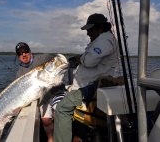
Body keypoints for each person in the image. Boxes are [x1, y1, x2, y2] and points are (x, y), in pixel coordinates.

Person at [53, 13, 120, 142]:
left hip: (90, 88)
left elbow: (89, 61)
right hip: (87, 86)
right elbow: (90, 58)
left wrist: (78, 59)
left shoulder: (105, 40)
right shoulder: (101, 40)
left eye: (90, 29)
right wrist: (78, 59)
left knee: (61, 109)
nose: (88, 33)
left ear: (100, 28)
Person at [15, 42, 65, 142]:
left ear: (30, 51)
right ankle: (51, 138)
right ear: (18, 56)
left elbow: (59, 63)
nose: (24, 55)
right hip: (43, 96)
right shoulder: (19, 74)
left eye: (25, 51)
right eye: (20, 53)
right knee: (45, 120)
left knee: (58, 113)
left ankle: (62, 138)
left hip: (56, 91)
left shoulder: (45, 58)